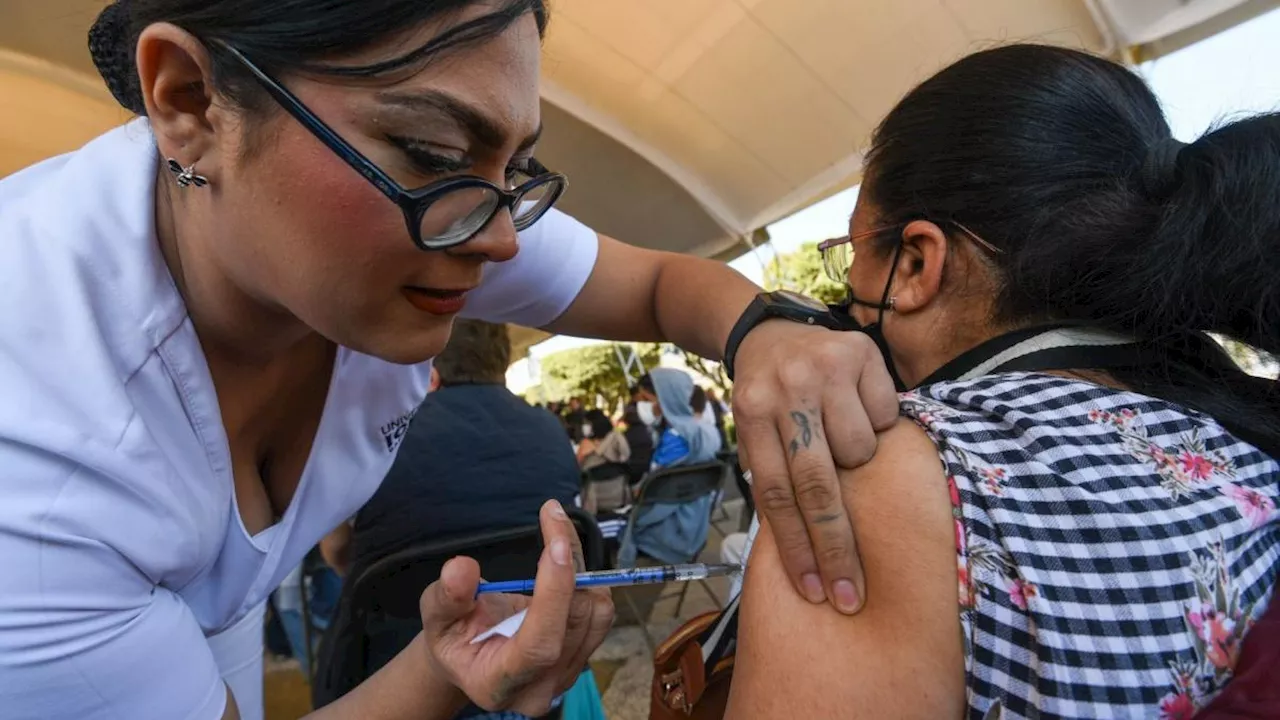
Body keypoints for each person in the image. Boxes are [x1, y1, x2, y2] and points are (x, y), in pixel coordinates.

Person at [0, 1, 901, 717]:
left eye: (514, 170)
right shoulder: (38, 466)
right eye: (434, 154)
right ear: (189, 99)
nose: (504, 241)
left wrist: (770, 332)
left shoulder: (417, 223)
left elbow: (665, 285)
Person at [725, 44, 1279, 719]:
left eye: (849, 254)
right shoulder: (1244, 418)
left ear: (916, 263)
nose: (846, 291)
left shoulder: (892, 477)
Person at [342, 320, 581, 580]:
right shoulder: (551, 430)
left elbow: (337, 549)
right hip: (544, 609)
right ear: (501, 366)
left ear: (430, 376)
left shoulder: (380, 440)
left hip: (399, 615)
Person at [618, 369, 724, 567]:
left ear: (666, 399)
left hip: (664, 533)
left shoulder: (674, 438)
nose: (646, 406)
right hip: (696, 531)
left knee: (608, 528)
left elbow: (651, 493)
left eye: (647, 399)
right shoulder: (708, 432)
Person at [577, 409, 631, 513]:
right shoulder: (617, 440)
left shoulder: (586, 444)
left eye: (586, 423)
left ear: (593, 425)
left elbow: (576, 468)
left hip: (593, 500)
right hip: (618, 495)